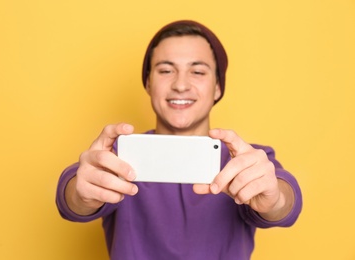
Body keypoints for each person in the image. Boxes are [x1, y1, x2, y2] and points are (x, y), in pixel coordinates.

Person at [56, 20, 302, 259]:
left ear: (217, 86)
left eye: (197, 71)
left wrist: (276, 198)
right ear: (148, 83)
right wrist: (79, 193)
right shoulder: (118, 156)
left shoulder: (247, 160)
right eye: (165, 70)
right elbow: (72, 199)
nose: (181, 85)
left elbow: (284, 201)